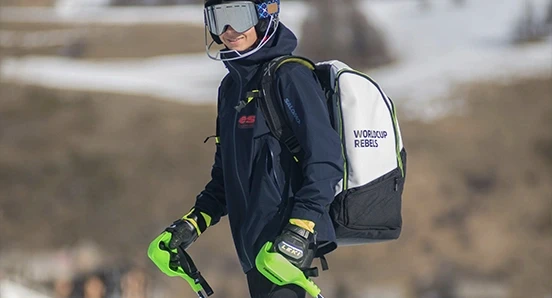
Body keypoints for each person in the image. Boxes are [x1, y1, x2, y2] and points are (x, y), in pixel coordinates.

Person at [148, 0, 343, 297]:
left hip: (284, 251)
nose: (228, 30)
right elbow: (225, 177)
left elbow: (326, 160)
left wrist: (299, 231)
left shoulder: (289, 77)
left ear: (265, 15)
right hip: (253, 250)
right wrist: (192, 224)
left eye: (238, 16)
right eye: (218, 19)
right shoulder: (230, 90)